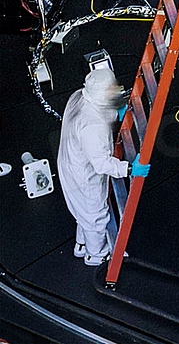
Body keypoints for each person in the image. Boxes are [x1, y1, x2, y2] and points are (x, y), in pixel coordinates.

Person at [57, 65, 133, 266]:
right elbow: (101, 164)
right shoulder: (92, 126)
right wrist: (128, 168)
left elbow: (97, 111)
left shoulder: (79, 97)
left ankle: (82, 244)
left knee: (83, 212)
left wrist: (115, 113)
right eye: (111, 89)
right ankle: (96, 255)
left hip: (71, 162)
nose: (115, 90)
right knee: (95, 215)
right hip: (84, 176)